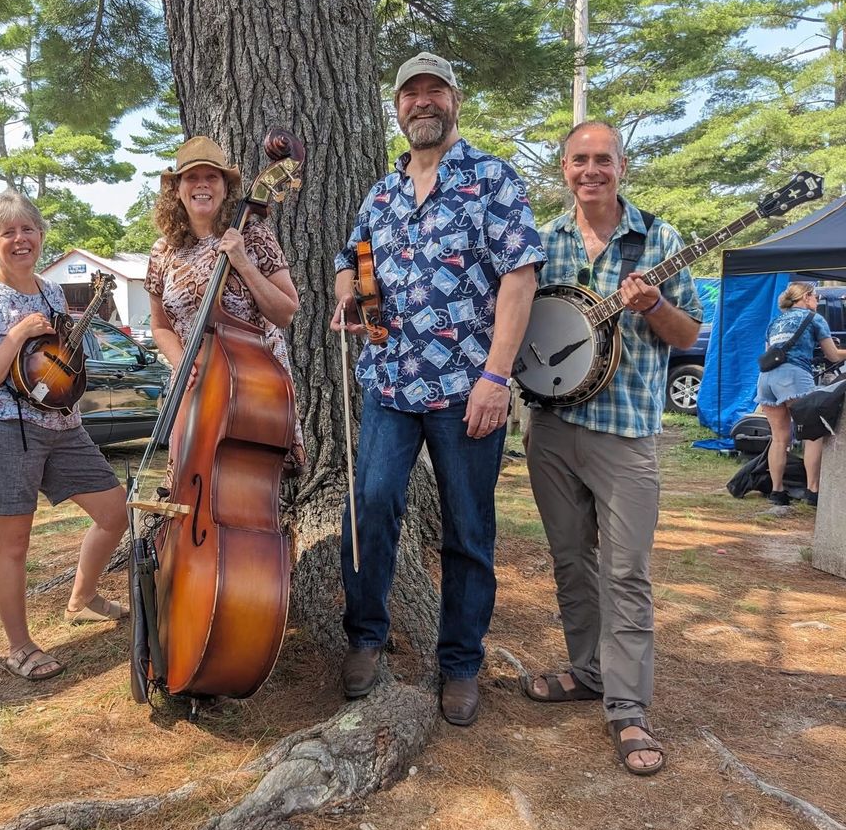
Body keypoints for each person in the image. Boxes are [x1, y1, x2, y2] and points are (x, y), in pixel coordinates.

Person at [331, 52, 543, 726]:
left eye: (434, 91)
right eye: (409, 93)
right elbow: (348, 260)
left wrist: (496, 376)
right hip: (389, 383)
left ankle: (460, 665)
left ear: (455, 100)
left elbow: (520, 276)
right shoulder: (381, 193)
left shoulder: (493, 179)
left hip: (467, 390)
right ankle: (365, 638)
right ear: (396, 108)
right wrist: (351, 299)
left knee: (469, 531)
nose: (421, 102)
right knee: (370, 508)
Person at [522, 121, 702, 776]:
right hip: (551, 428)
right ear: (563, 168)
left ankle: (628, 706)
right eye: (579, 160)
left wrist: (653, 305)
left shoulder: (660, 239)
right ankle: (589, 671)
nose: (590, 170)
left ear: (621, 166)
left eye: (603, 159)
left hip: (627, 435)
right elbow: (519, 325)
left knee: (626, 570)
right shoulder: (543, 240)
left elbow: (686, 334)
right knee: (571, 560)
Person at [0, 189, 130, 683]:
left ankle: (84, 595)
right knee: (14, 542)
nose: (19, 239)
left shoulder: (52, 292)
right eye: (7, 232)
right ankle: (19, 646)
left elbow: (56, 356)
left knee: (115, 511)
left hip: (61, 423)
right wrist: (14, 337)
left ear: (41, 236)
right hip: (2, 428)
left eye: (27, 229)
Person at [146, 135, 304, 472]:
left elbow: (286, 311)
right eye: (191, 177)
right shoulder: (162, 252)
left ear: (224, 187)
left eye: (211, 177)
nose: (201, 185)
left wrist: (243, 262)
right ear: (177, 189)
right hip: (194, 382)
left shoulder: (253, 234)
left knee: (245, 483)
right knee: (189, 480)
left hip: (249, 385)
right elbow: (159, 326)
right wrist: (181, 363)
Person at [757, 282, 846, 507]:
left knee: (779, 438)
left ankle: (778, 492)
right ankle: (813, 490)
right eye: (815, 297)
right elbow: (834, 356)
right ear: (806, 297)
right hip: (793, 377)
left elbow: (772, 353)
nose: (816, 301)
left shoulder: (775, 321)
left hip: (766, 379)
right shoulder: (813, 318)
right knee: (812, 432)